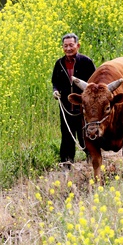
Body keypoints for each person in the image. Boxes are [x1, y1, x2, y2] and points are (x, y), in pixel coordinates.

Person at [51, 33, 96, 168]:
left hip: (83, 107)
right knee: (67, 135)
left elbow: (94, 83)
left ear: (78, 45)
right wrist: (55, 90)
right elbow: (55, 81)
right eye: (65, 46)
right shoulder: (59, 63)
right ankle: (66, 163)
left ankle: (92, 159)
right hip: (66, 107)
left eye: (71, 45)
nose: (68, 48)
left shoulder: (86, 62)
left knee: (85, 134)